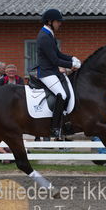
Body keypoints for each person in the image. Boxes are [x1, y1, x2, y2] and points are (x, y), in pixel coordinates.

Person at [36, 8, 81, 137]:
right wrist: (71, 65)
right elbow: (54, 59)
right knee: (62, 94)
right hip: (46, 72)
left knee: (68, 90)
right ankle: (55, 127)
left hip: (53, 71)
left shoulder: (49, 34)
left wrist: (72, 58)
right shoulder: (44, 36)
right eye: (58, 21)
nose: (60, 24)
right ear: (50, 21)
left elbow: (58, 54)